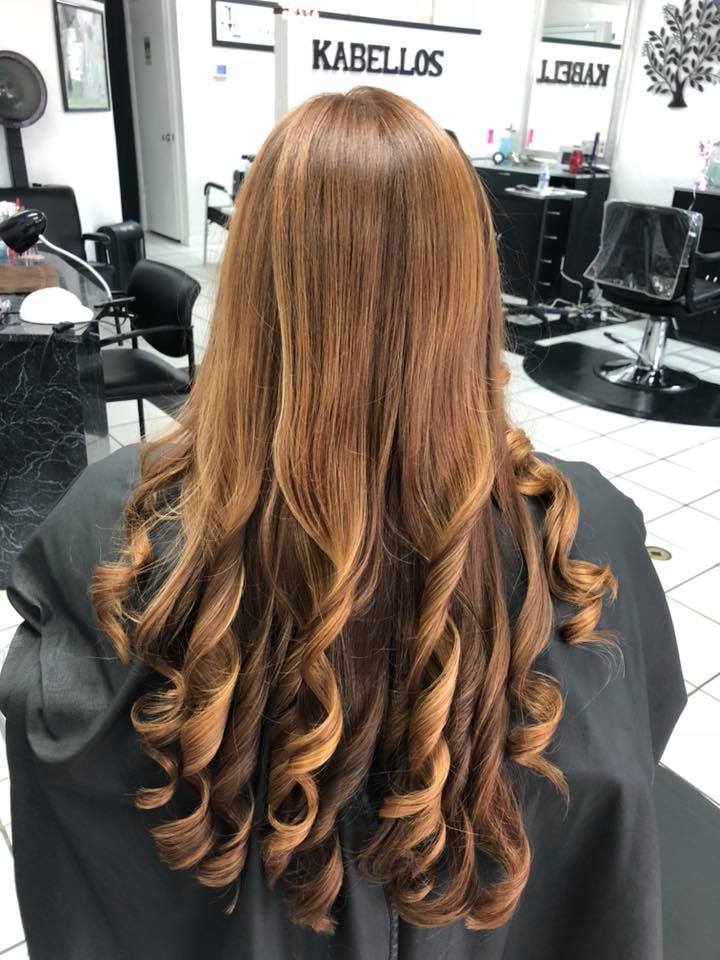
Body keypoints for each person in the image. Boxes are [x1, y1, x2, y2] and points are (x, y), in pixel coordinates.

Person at [0, 87, 684, 960]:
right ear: (470, 290)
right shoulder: (589, 526)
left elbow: (71, 814)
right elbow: (626, 767)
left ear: (248, 287)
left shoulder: (110, 523)